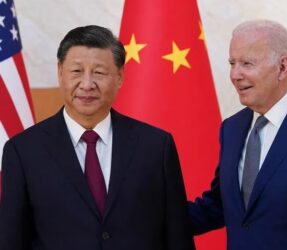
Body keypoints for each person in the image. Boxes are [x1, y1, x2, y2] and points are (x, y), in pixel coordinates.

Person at [0, 25, 195, 250]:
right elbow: (11, 240)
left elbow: (178, 236)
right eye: (76, 71)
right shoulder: (23, 150)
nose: (87, 84)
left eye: (99, 73)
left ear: (119, 77)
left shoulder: (156, 146)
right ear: (60, 73)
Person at [189, 20, 287, 250]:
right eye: (232, 63)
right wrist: (143, 216)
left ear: (282, 68)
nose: (235, 74)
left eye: (247, 64)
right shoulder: (231, 129)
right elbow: (220, 206)